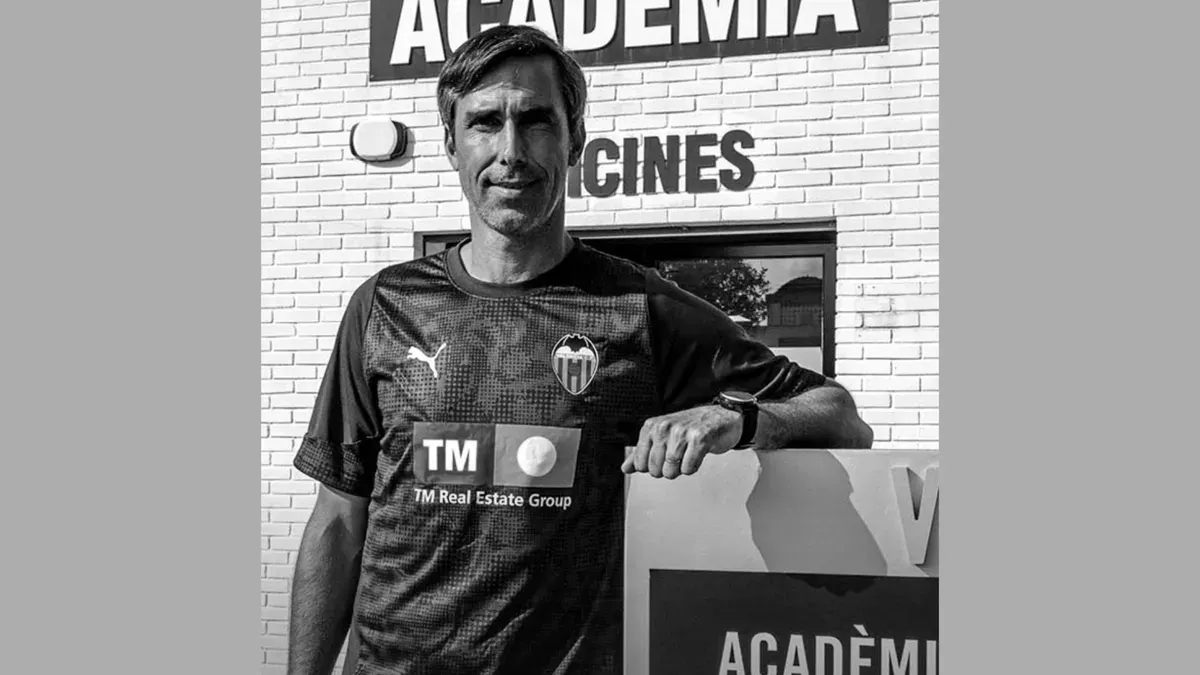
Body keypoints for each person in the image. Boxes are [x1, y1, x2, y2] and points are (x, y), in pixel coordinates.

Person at [286, 24, 874, 675]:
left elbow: (841, 415)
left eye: (536, 121)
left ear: (576, 141)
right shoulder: (384, 305)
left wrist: (739, 417)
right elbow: (338, 520)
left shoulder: (641, 309)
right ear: (451, 144)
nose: (511, 151)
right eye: (485, 122)